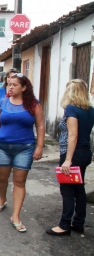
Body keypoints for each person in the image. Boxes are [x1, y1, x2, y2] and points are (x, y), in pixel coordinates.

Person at [0, 73, 44, 233]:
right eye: (9, 84)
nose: (10, 87)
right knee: (2, 179)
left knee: (19, 182)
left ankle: (15, 215)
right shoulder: (3, 102)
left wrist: (39, 146)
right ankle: (2, 199)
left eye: (14, 84)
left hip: (25, 148)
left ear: (24, 87)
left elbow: (40, 126)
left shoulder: (34, 104)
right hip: (2, 146)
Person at [45, 79, 94, 236]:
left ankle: (64, 225)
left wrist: (67, 159)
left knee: (67, 190)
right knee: (79, 188)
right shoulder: (90, 109)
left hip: (73, 153)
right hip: (85, 152)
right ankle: (78, 222)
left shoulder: (71, 109)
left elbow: (73, 135)